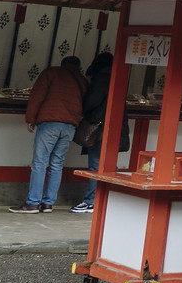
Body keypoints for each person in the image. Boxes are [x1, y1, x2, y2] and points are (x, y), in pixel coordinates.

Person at [14, 55, 89, 214]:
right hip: (70, 126)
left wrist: (31, 118)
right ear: (78, 66)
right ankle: (48, 203)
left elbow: (37, 96)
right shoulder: (82, 80)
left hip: (50, 122)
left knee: (40, 162)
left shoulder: (51, 73)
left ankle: (32, 203)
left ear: (62, 64)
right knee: (57, 164)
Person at [71, 52, 115, 214]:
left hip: (99, 127)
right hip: (114, 128)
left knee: (95, 165)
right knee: (109, 165)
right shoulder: (118, 78)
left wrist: (84, 111)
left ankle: (91, 201)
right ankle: (109, 199)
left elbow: (92, 101)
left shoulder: (102, 79)